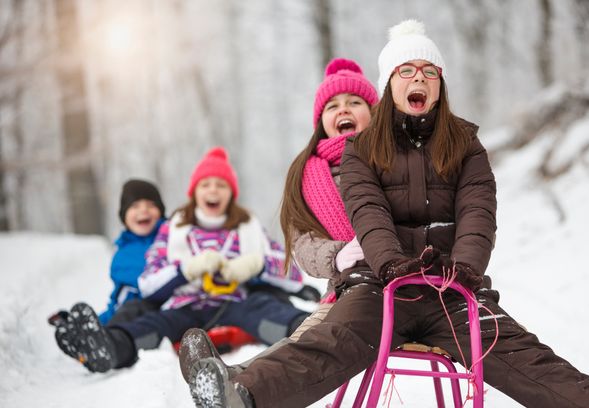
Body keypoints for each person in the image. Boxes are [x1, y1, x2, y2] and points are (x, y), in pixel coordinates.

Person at [183, 20, 589, 408]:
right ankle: (238, 392)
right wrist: (388, 265)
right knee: (330, 341)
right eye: (406, 70)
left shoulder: (466, 146)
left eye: (428, 70)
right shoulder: (363, 152)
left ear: (439, 84)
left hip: (451, 287)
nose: (418, 78)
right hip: (377, 286)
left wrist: (466, 268)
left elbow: (479, 212)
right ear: (390, 85)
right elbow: (367, 213)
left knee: (522, 354)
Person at [177, 57, 378, 382]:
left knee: (309, 336)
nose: (343, 110)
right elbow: (302, 243)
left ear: (374, 112)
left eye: (355, 102)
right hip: (344, 285)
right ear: (321, 120)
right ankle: (228, 380)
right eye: (332, 105)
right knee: (303, 339)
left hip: (384, 285)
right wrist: (338, 254)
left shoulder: (390, 162)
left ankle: (236, 382)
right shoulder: (309, 175)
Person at [54, 146, 310, 374]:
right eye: (205, 184)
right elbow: (147, 282)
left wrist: (257, 265)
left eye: (220, 185)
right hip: (186, 305)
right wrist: (186, 270)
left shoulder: (247, 226)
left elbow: (293, 274)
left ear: (230, 193)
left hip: (234, 301)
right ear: (194, 192)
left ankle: (310, 332)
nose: (213, 190)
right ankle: (112, 347)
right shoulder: (175, 228)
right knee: (155, 323)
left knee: (267, 308)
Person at [49, 178, 165, 360]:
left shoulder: (168, 239)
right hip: (130, 310)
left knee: (131, 310)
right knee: (123, 312)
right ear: (124, 216)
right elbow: (117, 302)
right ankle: (85, 336)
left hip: (156, 306)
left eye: (150, 205)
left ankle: (102, 345)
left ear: (161, 211)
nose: (143, 210)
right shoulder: (123, 252)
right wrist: (94, 323)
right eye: (135, 206)